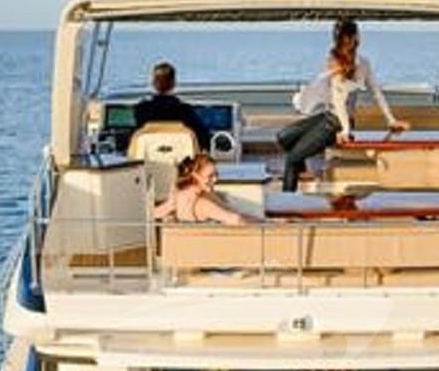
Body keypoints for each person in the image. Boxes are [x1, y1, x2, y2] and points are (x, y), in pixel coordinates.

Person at [277, 18, 411, 191]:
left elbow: (376, 93)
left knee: (291, 158)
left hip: (338, 123)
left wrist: (389, 120)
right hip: (328, 115)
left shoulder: (363, 63)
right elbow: (334, 98)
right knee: (283, 137)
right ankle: (301, 169)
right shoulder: (334, 60)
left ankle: (287, 204)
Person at [153, 154, 253, 226]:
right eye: (210, 176)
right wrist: (264, 227)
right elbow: (235, 219)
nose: (215, 180)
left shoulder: (178, 196)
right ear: (195, 176)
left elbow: (155, 213)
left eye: (216, 175)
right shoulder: (203, 203)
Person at [134, 62, 211, 150]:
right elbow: (204, 139)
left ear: (154, 83)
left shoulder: (142, 110)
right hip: (180, 162)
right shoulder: (185, 111)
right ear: (174, 83)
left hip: (148, 162)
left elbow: (133, 139)